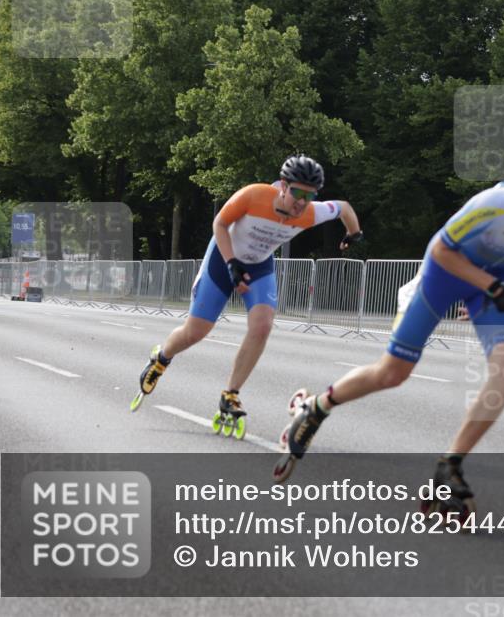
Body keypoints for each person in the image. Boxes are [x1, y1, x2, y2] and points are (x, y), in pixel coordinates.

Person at [272, 141, 504, 492]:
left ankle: (451, 464)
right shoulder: (499, 203)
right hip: (443, 274)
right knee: (392, 373)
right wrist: (494, 288)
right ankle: (316, 407)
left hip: (494, 282)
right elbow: (442, 251)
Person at [132, 155, 364, 439]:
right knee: (196, 331)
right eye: (297, 193)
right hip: (223, 257)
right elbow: (219, 224)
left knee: (263, 325)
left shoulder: (311, 212)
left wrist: (353, 234)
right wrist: (231, 263)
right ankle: (161, 357)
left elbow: (344, 207)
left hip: (259, 265)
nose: (302, 202)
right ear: (283, 186)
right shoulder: (254, 195)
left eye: (310, 195)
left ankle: (230, 394)